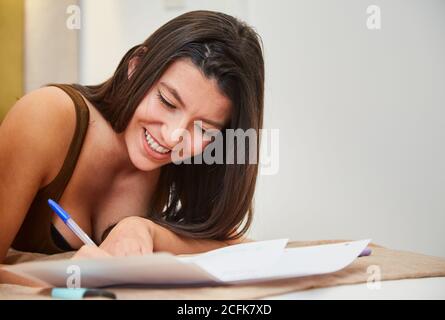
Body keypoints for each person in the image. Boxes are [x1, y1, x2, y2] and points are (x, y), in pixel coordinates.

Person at [0, 10, 264, 262]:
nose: (174, 137)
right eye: (167, 102)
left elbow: (231, 244)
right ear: (136, 67)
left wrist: (144, 229)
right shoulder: (46, 115)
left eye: (204, 129)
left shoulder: (183, 162)